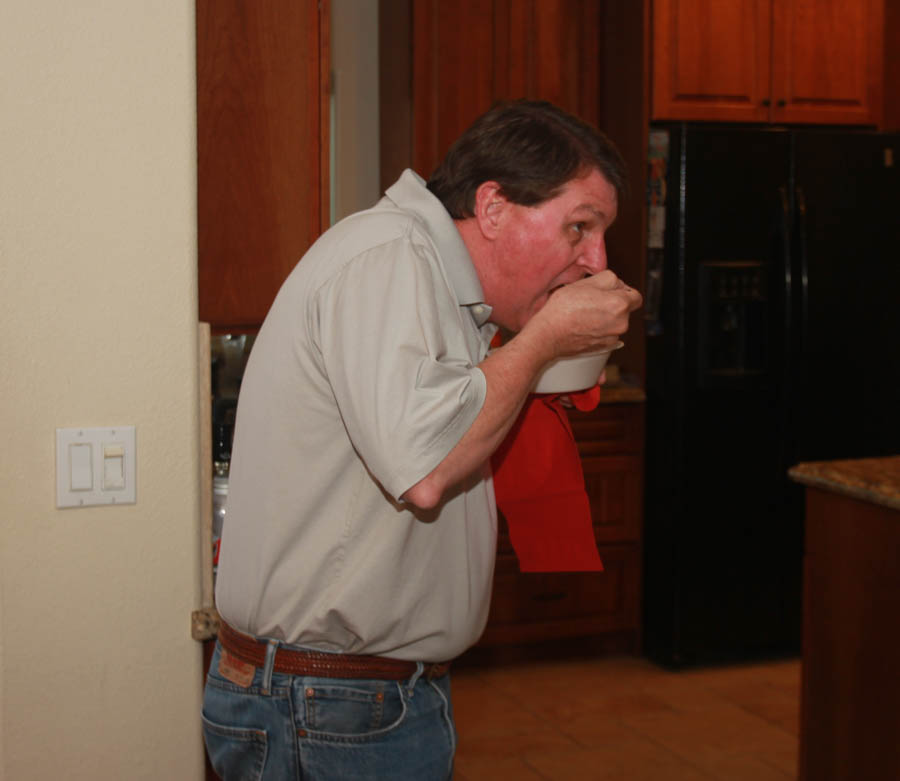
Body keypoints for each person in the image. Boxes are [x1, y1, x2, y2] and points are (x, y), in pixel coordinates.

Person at [202, 99, 643, 780]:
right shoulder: (389, 259)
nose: (596, 258)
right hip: (326, 704)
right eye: (579, 227)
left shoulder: (443, 286)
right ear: (493, 207)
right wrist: (547, 338)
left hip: (356, 698)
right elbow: (429, 466)